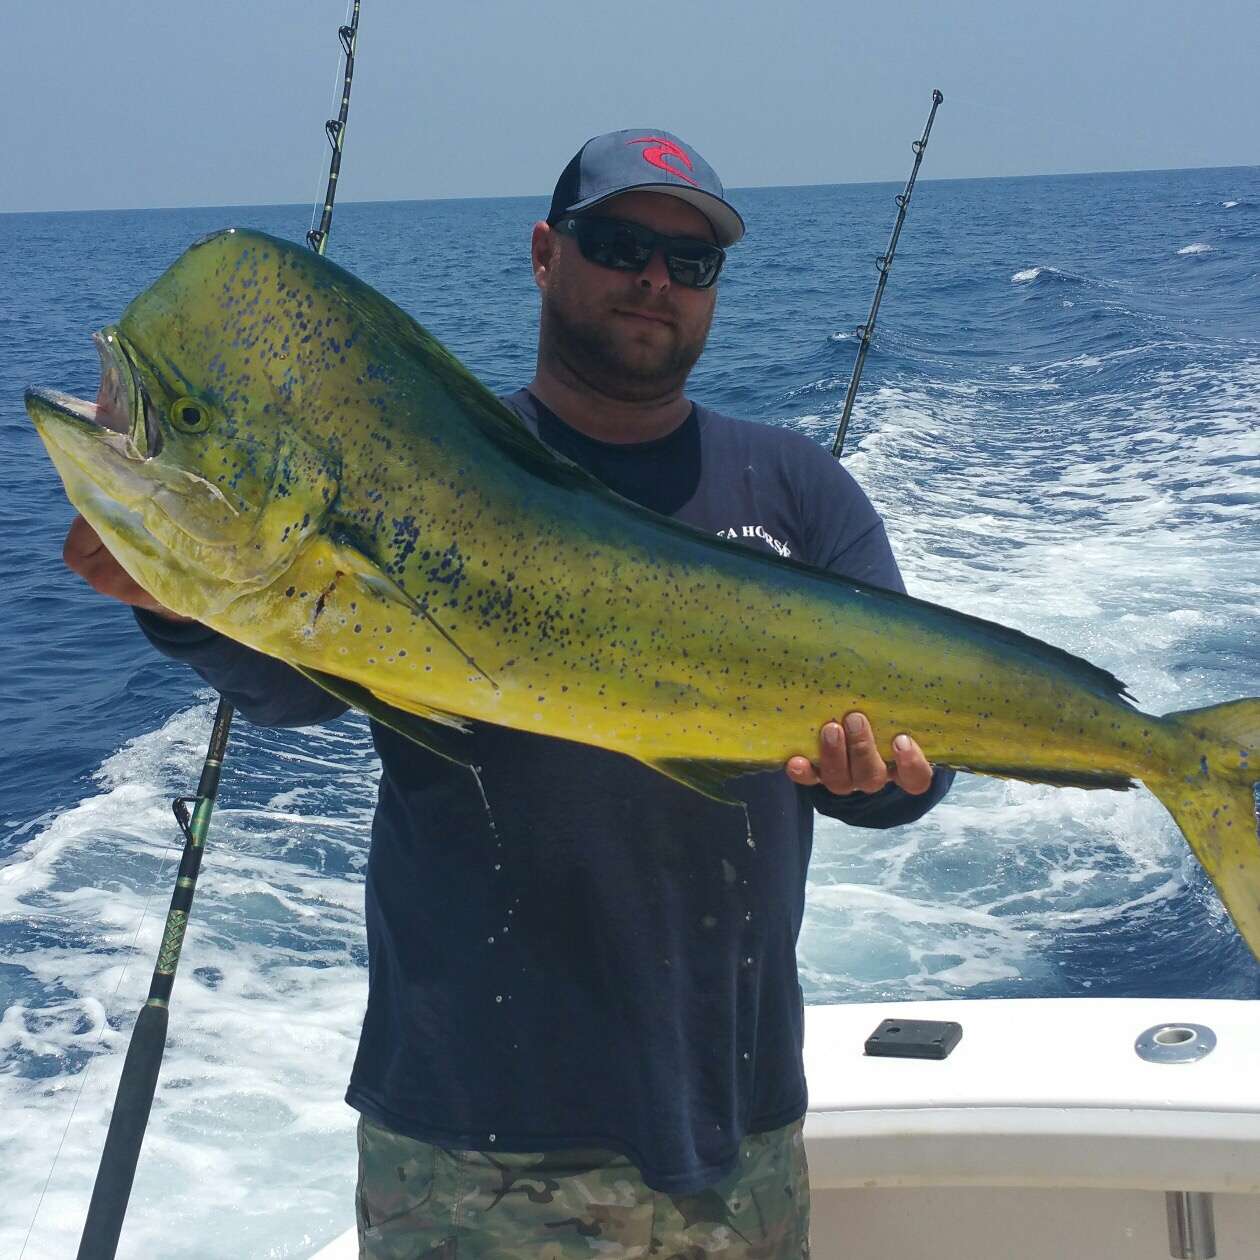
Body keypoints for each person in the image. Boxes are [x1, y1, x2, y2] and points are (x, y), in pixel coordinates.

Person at [64, 129, 953, 1258]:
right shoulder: (424, 467)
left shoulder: (798, 490)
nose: (655, 280)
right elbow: (299, 690)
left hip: (729, 1124)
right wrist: (179, 603)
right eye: (620, 244)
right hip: (463, 1144)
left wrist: (880, 784)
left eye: (691, 262)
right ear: (545, 253)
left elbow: (918, 761)